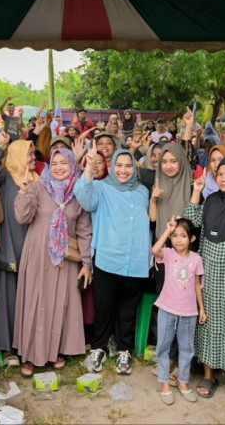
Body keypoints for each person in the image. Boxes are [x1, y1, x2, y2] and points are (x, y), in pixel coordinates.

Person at [13, 147, 92, 376]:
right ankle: (30, 355)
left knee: (60, 303)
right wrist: (24, 192)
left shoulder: (78, 192)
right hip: (38, 252)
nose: (58, 168)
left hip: (65, 257)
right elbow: (22, 217)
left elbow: (85, 230)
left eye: (64, 163)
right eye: (55, 163)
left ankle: (54, 351)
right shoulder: (38, 186)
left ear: (72, 165)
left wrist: (86, 263)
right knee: (36, 301)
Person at [76, 148, 150, 375]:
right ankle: (98, 348)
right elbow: (85, 199)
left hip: (136, 259)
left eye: (128, 166)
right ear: (113, 165)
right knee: (104, 306)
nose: (123, 170)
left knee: (128, 308)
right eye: (119, 165)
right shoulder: (100, 187)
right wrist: (88, 168)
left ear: (134, 168)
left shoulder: (143, 191)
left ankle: (123, 351)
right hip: (108, 257)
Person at [184, 156, 225, 404]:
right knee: (208, 322)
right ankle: (209, 375)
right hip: (209, 273)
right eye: (220, 174)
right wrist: (197, 191)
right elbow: (191, 219)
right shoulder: (211, 200)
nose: (223, 179)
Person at [0, 134, 37, 366]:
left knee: (32, 298)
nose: (33, 157)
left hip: (33, 247)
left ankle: (29, 344)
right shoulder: (5, 179)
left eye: (34, 153)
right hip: (9, 245)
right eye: (29, 153)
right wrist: (1, 144)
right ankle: (8, 349)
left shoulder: (39, 180)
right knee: (8, 299)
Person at [151, 217, 205, 405]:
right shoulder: (168, 254)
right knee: (163, 347)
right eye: (175, 236)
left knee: (187, 349)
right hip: (167, 309)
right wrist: (167, 230)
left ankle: (183, 381)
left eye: (183, 236)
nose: (178, 240)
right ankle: (164, 383)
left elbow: (198, 286)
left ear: (191, 239)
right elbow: (154, 250)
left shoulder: (197, 259)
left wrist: (202, 309)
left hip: (189, 312)